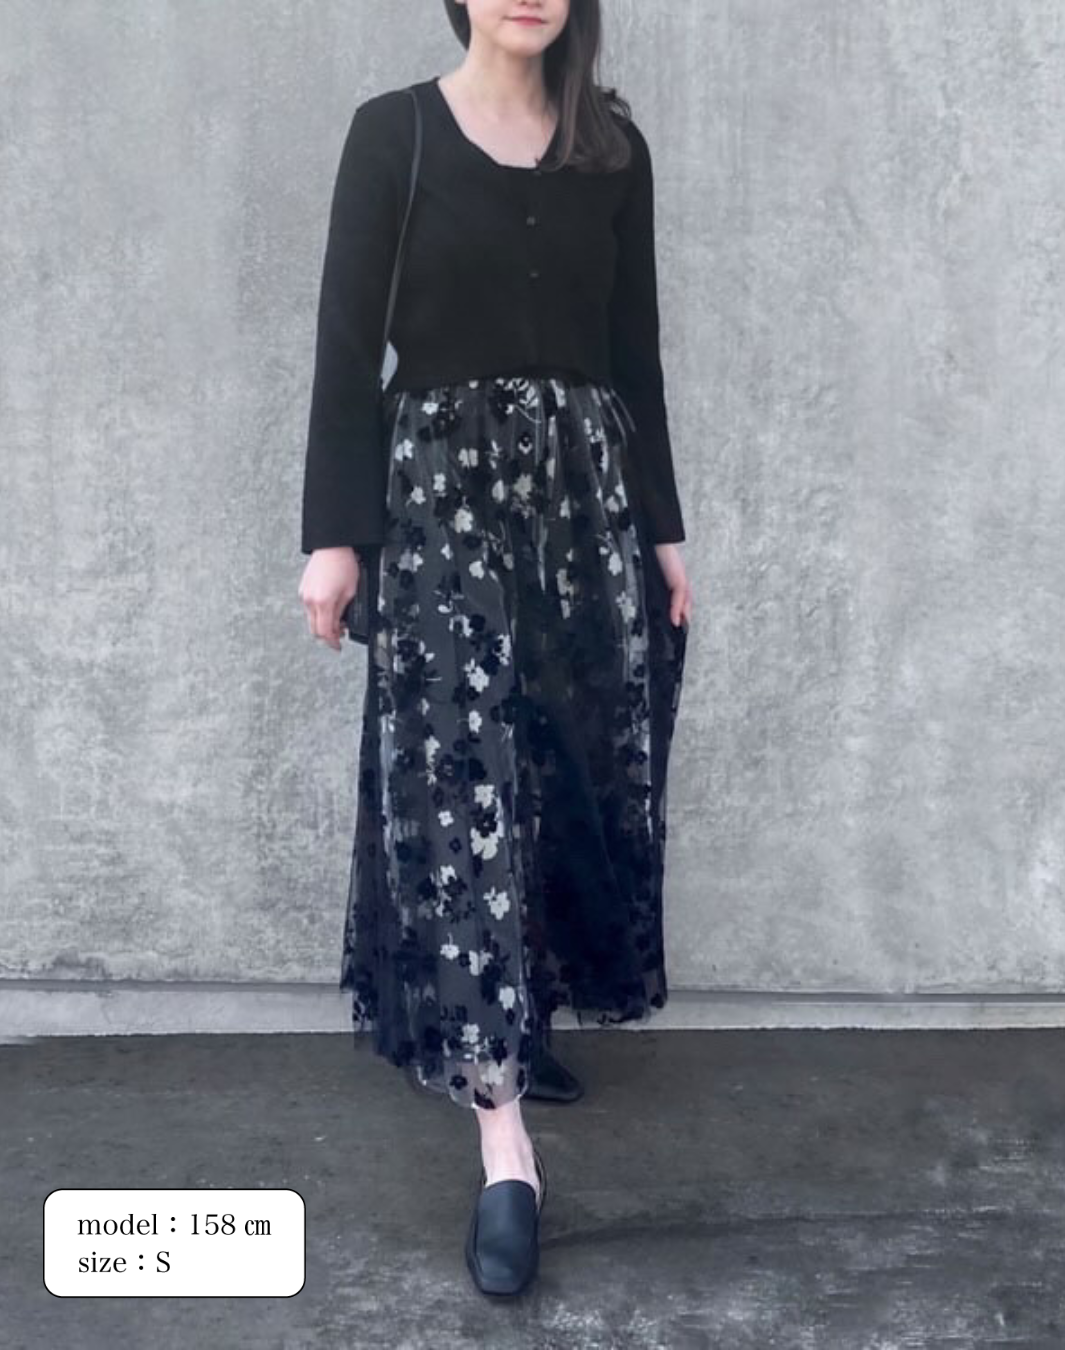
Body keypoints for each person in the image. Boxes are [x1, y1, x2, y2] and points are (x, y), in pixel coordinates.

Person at [297, 0, 691, 1296]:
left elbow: (634, 359)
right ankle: (504, 1140)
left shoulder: (612, 150)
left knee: (565, 775)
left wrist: (665, 535)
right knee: (463, 794)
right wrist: (336, 538)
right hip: (441, 514)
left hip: (582, 512)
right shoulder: (393, 135)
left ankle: (524, 1016)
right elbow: (346, 349)